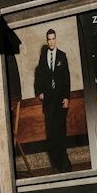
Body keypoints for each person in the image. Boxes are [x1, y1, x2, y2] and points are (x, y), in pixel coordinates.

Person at [33, 29, 71, 172]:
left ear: (56, 39)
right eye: (49, 39)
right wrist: (39, 92)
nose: (51, 42)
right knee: (51, 132)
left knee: (61, 131)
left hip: (61, 100)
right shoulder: (43, 57)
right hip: (48, 101)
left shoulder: (62, 56)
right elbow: (39, 76)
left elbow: (66, 78)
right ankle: (56, 162)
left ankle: (64, 163)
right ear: (47, 40)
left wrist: (67, 97)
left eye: (53, 39)